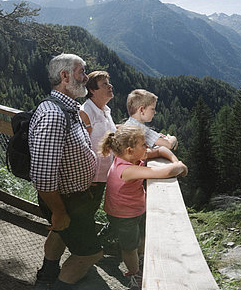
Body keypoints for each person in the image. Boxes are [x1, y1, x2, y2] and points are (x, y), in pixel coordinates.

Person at [29, 54, 103, 289]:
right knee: (90, 254)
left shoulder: (68, 108)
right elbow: (42, 175)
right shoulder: (54, 114)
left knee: (59, 234)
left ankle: (47, 277)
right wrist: (59, 211)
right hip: (65, 200)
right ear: (65, 76)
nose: (86, 77)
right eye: (82, 72)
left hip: (71, 197)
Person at [101, 124, 187, 289]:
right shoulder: (126, 169)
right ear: (129, 150)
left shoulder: (130, 156)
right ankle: (135, 275)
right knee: (129, 247)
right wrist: (180, 167)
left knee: (141, 236)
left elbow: (161, 150)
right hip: (123, 215)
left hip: (136, 209)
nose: (148, 147)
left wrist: (176, 161)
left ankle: (139, 260)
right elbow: (162, 173)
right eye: (144, 144)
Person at [79, 71, 117, 207]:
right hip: (90, 179)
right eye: (104, 84)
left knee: (92, 209)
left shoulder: (105, 111)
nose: (110, 86)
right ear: (92, 90)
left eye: (109, 82)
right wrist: (88, 179)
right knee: (84, 212)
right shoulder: (85, 112)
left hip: (102, 176)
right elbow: (81, 147)